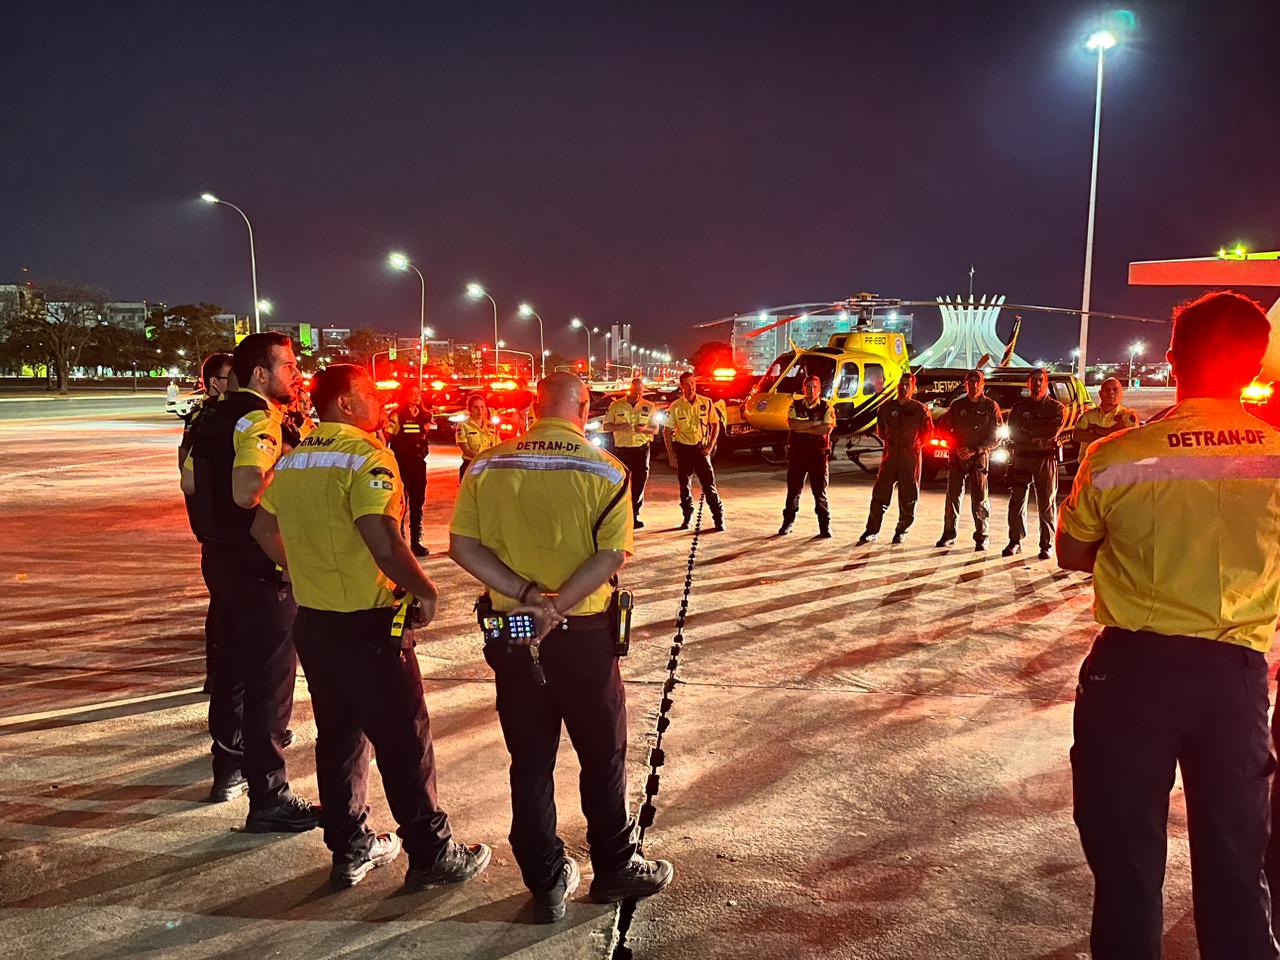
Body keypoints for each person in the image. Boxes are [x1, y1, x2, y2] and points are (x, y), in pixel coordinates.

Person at [1059, 290, 1280, 960]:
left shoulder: (1117, 455)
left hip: (1130, 676)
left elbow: (1072, 553)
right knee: (1238, 873)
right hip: (1236, 680)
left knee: (1127, 873)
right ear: (1253, 364)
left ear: (1173, 359)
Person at [251, 364, 490, 889]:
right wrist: (426, 589)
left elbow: (262, 525)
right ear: (346, 403)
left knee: (339, 736)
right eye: (371, 396)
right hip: (369, 625)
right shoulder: (366, 456)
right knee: (405, 740)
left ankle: (349, 846)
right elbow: (381, 536)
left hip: (314, 622)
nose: (381, 405)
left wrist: (298, 568)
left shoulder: (293, 461)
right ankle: (430, 852)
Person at [450, 372, 673, 923]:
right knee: (602, 755)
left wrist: (529, 599)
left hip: (513, 632)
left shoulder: (486, 465)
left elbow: (462, 546)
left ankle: (546, 882)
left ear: (534, 405)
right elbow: (610, 557)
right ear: (585, 406)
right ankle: (615, 868)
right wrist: (558, 606)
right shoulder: (606, 469)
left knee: (530, 761)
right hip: (584, 635)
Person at [180, 332, 317, 828]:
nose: (295, 374)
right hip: (261, 564)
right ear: (261, 373)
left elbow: (189, 482)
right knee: (270, 682)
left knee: (232, 671)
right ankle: (270, 795)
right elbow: (246, 491)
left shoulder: (209, 415)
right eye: (288, 365)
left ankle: (228, 768)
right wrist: (289, 468)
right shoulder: (260, 419)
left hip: (218, 558)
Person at [859, 372, 932, 544]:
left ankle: (901, 530)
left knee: (908, 497)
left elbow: (928, 435)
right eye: (901, 384)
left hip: (910, 458)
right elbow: (882, 432)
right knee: (879, 495)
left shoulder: (920, 410)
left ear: (913, 388)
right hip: (890, 457)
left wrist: (913, 445)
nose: (903, 387)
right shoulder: (886, 408)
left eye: (907, 384)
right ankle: (872, 530)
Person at [1002, 369, 1066, 560]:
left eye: (1041, 380)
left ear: (1046, 384)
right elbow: (1013, 432)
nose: (1037, 384)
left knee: (1046, 503)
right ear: (1028, 384)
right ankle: (1015, 541)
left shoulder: (1056, 408)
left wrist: (1028, 431)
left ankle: (1046, 545)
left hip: (1044, 459)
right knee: (1016, 502)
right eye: (1033, 381)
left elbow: (1052, 431)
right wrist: (1036, 434)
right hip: (1021, 458)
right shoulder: (1019, 407)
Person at [935, 370, 1001, 550]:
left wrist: (975, 450)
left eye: (977, 381)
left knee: (980, 499)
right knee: (952, 498)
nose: (974, 385)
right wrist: (956, 447)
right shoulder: (956, 406)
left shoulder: (991, 406)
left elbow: (997, 436)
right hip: (957, 458)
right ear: (965, 384)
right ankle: (948, 534)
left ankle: (982, 536)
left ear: (983, 384)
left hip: (979, 459)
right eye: (970, 381)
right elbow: (943, 429)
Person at [664, 371, 725, 532]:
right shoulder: (676, 406)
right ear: (681, 386)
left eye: (693, 383)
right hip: (683, 449)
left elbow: (715, 424)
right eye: (687, 384)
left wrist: (710, 446)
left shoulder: (706, 402)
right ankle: (687, 516)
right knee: (684, 486)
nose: (691, 387)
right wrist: (671, 456)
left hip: (701, 449)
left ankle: (718, 518)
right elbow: (667, 431)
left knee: (709, 485)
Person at [779, 374, 836, 537]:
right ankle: (787, 523)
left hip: (818, 456)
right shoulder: (795, 405)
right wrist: (815, 423)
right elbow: (793, 425)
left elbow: (826, 428)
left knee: (820, 492)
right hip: (798, 454)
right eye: (808, 387)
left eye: (814, 387)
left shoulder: (827, 407)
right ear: (803, 389)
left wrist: (803, 428)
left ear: (819, 389)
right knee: (793, 491)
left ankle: (824, 526)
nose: (811, 390)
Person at [602, 377, 660, 528]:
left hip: (642, 449)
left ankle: (635, 515)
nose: (636, 395)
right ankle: (620, 515)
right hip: (623, 450)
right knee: (621, 484)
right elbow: (606, 426)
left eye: (639, 392)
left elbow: (655, 429)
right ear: (630, 389)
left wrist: (643, 430)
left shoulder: (649, 406)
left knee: (640, 483)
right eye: (634, 392)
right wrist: (621, 427)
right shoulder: (616, 405)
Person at [388, 384, 433, 556]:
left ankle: (416, 540)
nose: (416, 397)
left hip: (418, 463)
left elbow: (425, 434)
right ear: (404, 396)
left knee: (417, 502)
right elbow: (388, 434)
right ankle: (400, 539)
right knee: (401, 502)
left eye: (418, 393)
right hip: (401, 462)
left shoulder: (425, 415)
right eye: (412, 393)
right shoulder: (397, 415)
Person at [178, 352, 232, 471]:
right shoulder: (204, 415)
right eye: (230, 378)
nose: (235, 383)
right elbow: (184, 461)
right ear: (214, 382)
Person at [1072, 377, 1139, 445]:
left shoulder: (1128, 415)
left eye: (1115, 390)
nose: (1111, 392)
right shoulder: (1088, 414)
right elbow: (1077, 435)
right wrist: (1112, 434)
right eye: (1107, 390)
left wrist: (1095, 429)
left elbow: (1131, 437)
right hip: (1090, 456)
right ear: (1100, 394)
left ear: (1121, 394)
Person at [455, 393, 499, 480]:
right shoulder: (463, 425)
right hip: (471, 466)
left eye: (482, 407)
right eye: (476, 407)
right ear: (469, 409)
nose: (480, 410)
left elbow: (498, 445)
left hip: (488, 467)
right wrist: (483, 458)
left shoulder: (491, 425)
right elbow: (466, 450)